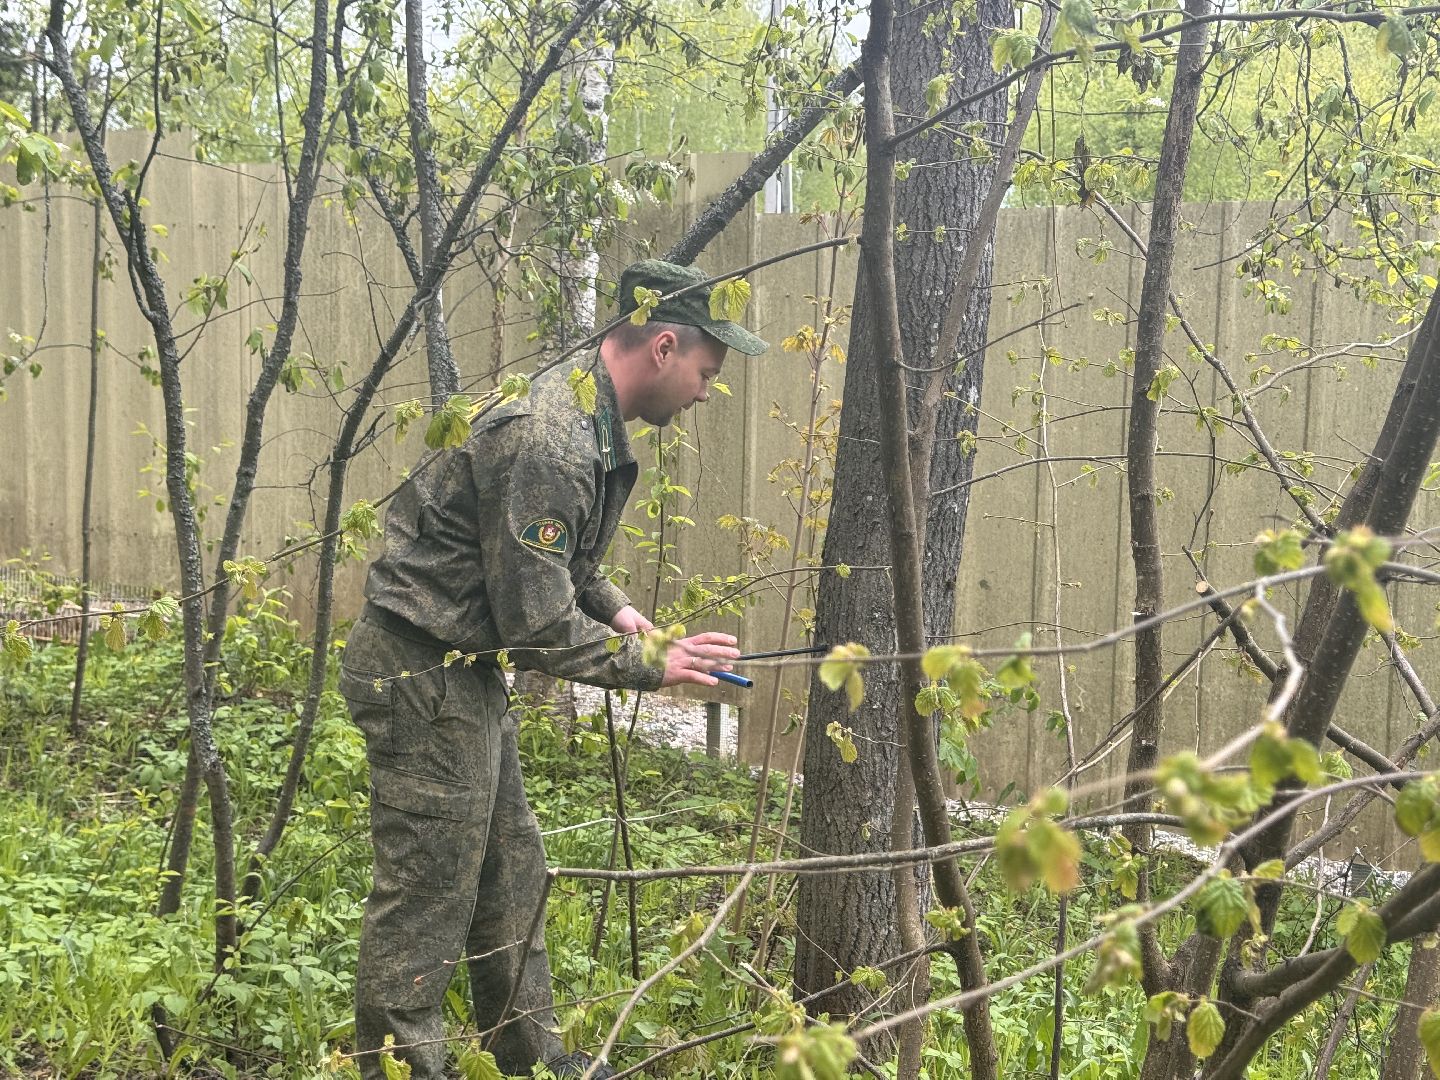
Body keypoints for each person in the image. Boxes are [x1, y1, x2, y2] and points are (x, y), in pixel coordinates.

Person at [339, 258, 768, 1079]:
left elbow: (551, 558)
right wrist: (655, 664)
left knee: (510, 869)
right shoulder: (551, 437)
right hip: (419, 672)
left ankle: (536, 1062)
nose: (707, 393)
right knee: (427, 900)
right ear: (664, 347)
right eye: (708, 374)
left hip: (460, 671)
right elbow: (535, 627)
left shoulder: (583, 409)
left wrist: (619, 613)